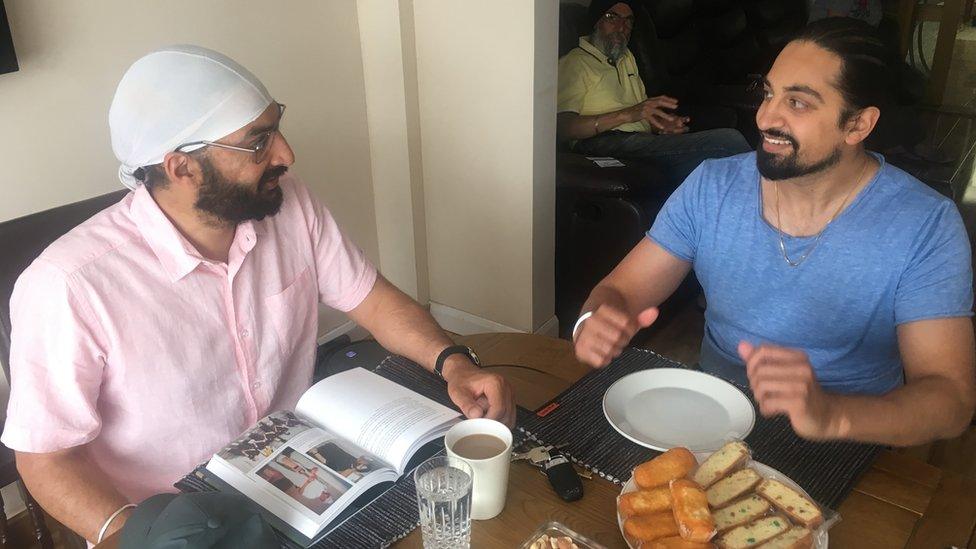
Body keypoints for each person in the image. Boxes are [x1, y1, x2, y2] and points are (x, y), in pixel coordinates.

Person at [3, 45, 515, 544]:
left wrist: (454, 363)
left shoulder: (290, 207)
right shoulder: (69, 286)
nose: (287, 154)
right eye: (258, 142)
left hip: (309, 473)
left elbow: (371, 298)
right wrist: (131, 535)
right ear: (181, 167)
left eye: (277, 127)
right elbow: (45, 457)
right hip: (183, 519)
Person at [572, 18, 975, 447]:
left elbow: (950, 399)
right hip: (714, 418)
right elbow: (622, 290)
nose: (765, 117)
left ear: (857, 125)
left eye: (798, 103)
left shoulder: (924, 225)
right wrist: (595, 320)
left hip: (855, 438)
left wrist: (832, 414)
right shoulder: (713, 186)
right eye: (768, 93)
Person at [557, 0, 751, 187]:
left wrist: (661, 125)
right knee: (729, 141)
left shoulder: (626, 58)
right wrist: (626, 114)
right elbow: (562, 128)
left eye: (628, 21)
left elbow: (640, 114)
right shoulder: (575, 63)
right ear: (596, 21)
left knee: (713, 167)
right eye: (612, 17)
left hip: (639, 141)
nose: (622, 26)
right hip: (600, 142)